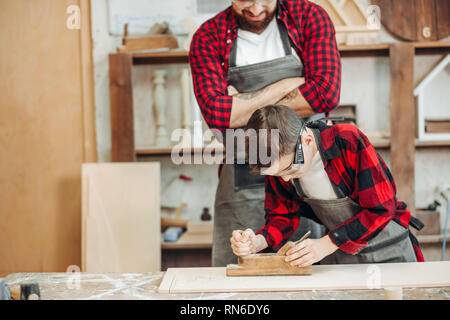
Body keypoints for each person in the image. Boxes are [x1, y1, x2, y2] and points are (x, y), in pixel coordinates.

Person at [189, 0, 342, 266]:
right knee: (240, 273)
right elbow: (218, 114)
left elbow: (325, 93)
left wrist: (242, 103)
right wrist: (287, 86)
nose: (256, 8)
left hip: (306, 174)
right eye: (245, 0)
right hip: (243, 174)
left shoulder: (309, 18)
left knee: (311, 275)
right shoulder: (208, 36)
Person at [230, 105, 424, 265]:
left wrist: (327, 243)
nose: (286, 180)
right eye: (278, 174)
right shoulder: (280, 165)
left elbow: (381, 209)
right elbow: (283, 217)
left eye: (290, 171)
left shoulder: (347, 140)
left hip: (390, 250)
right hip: (345, 256)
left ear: (305, 141)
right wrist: (256, 242)